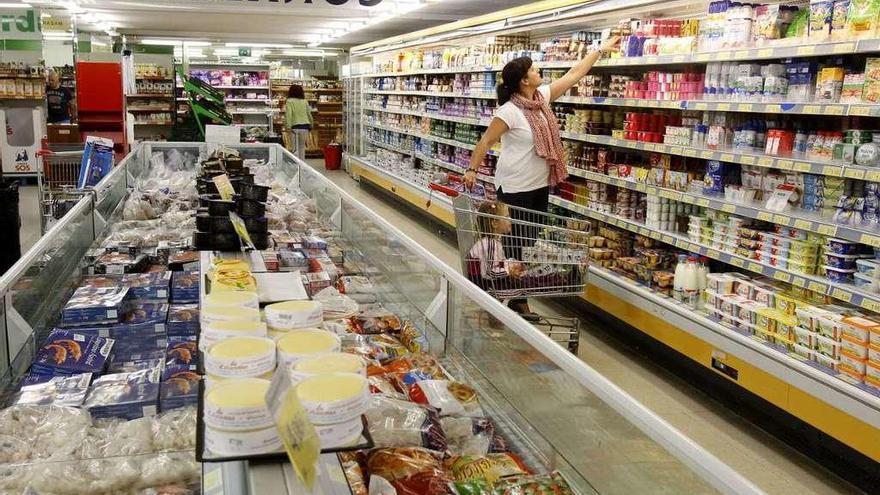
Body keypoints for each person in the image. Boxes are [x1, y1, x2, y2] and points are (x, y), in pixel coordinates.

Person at [463, 36, 619, 315]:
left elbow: (574, 74)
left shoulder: (542, 98)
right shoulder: (509, 111)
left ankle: (512, 294)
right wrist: (472, 169)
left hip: (538, 184)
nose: (539, 73)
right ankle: (515, 298)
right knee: (515, 243)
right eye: (534, 70)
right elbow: (486, 142)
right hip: (513, 186)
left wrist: (598, 51)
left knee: (528, 239)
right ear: (524, 80)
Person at [284, 84, 314, 160]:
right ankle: (302, 167)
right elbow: (309, 114)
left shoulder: (289, 101)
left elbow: (288, 115)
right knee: (302, 148)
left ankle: (296, 167)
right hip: (305, 127)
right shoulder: (305, 101)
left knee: (295, 149)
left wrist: (288, 126)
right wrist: (311, 124)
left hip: (294, 127)